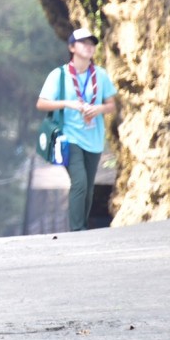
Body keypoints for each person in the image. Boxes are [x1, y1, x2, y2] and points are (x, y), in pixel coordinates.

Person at [36, 27, 117, 231]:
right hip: (69, 137)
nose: (89, 47)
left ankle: (82, 226)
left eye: (92, 44)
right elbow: (42, 103)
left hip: (94, 137)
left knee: (88, 186)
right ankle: (77, 230)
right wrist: (68, 104)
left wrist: (98, 109)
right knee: (79, 181)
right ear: (72, 47)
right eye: (84, 43)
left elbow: (112, 105)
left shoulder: (100, 75)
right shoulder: (60, 75)